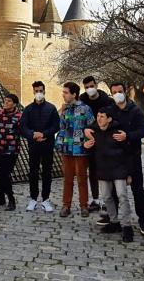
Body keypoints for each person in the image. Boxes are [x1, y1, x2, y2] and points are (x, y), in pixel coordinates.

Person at [102, 82, 144, 235]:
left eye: (120, 91)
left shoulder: (135, 110)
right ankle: (115, 220)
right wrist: (89, 130)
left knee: (138, 190)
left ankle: (143, 221)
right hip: (115, 157)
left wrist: (128, 135)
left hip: (132, 155)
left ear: (125, 92)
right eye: (114, 92)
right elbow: (100, 121)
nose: (117, 94)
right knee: (115, 191)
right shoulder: (111, 110)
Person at [85, 107, 134, 242]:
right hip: (103, 169)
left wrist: (129, 173)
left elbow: (128, 154)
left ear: (109, 119)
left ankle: (126, 227)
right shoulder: (95, 133)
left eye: (102, 116)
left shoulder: (118, 133)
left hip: (119, 169)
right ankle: (114, 222)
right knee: (106, 197)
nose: (99, 119)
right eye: (98, 116)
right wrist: (86, 147)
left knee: (122, 196)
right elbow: (92, 153)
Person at [56, 82, 95, 218]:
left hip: (81, 150)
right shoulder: (65, 109)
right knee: (67, 179)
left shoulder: (85, 109)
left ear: (74, 94)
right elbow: (60, 128)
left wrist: (87, 143)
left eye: (66, 92)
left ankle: (84, 205)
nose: (63, 95)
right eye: (63, 92)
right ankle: (66, 205)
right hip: (67, 149)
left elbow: (92, 128)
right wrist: (59, 145)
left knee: (82, 179)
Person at [20, 81, 60, 212]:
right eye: (36, 91)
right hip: (34, 145)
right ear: (33, 91)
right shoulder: (28, 109)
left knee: (47, 172)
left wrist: (44, 134)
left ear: (44, 91)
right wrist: (33, 134)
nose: (39, 93)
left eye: (41, 91)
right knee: (33, 172)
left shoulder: (51, 108)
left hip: (47, 144)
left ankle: (45, 199)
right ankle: (33, 198)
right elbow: (23, 127)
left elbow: (56, 125)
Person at [79, 76, 114, 212]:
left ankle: (107, 199)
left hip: (105, 139)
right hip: (90, 140)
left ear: (96, 85)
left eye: (91, 86)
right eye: (87, 87)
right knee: (92, 170)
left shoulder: (107, 101)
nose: (89, 89)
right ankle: (95, 199)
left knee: (106, 170)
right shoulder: (82, 100)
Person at [0, 93, 22, 211]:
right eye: (5, 100)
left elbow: (22, 131)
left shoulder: (19, 116)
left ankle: (11, 199)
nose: (6, 103)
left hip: (12, 150)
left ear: (14, 103)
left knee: (5, 174)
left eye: (8, 101)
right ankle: (1, 197)